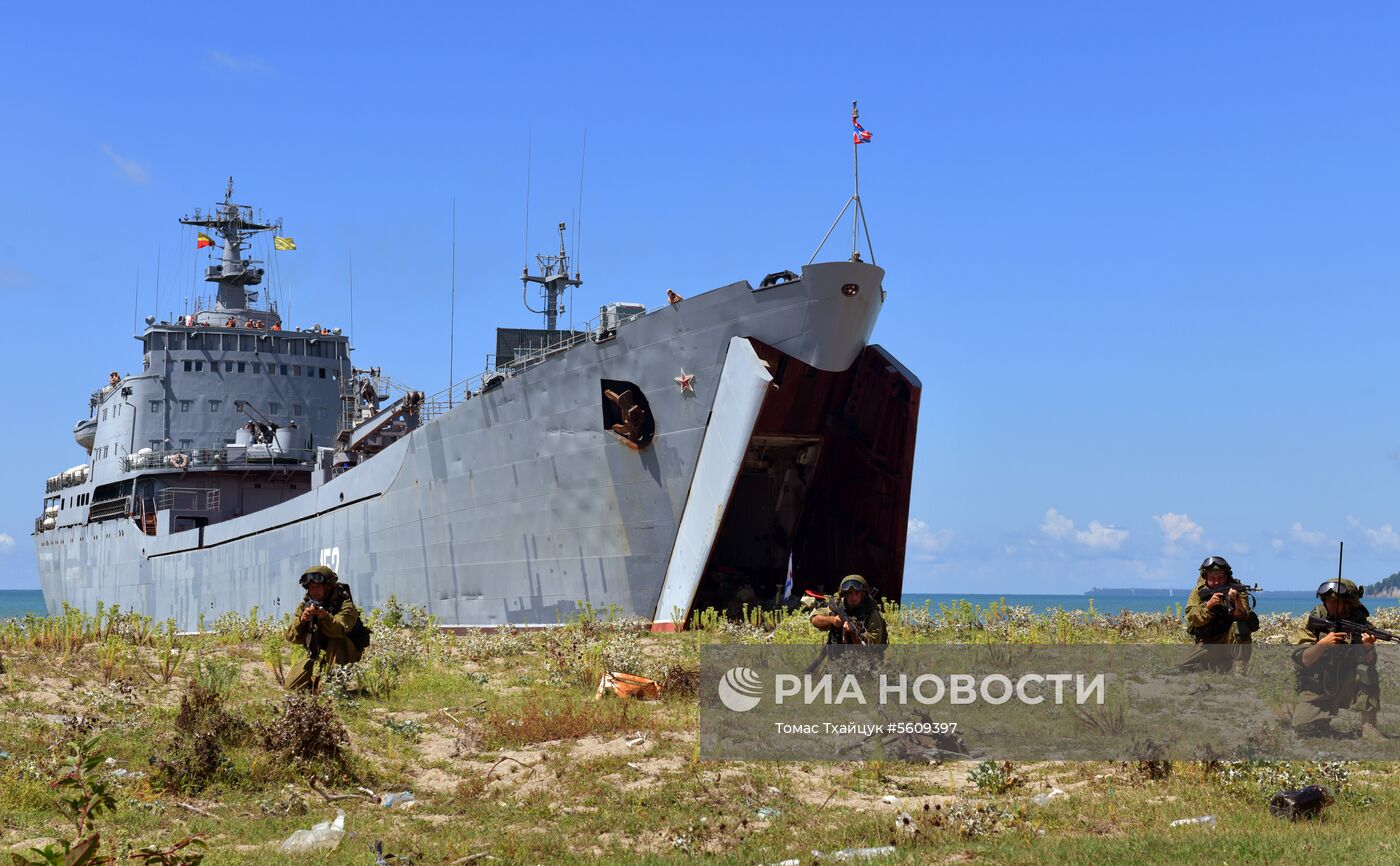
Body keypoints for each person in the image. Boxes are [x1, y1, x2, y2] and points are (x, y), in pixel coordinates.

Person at [1291, 578, 1384, 740]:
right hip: (1318, 687)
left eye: (1336, 602)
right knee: (1305, 729)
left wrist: (1368, 648)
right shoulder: (1315, 622)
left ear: (1349, 604)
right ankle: (1312, 718)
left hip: (1347, 684)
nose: (1330, 605)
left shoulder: (1359, 625)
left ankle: (1369, 727)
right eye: (1327, 601)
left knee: (1366, 671)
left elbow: (1369, 661)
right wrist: (1323, 644)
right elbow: (1304, 660)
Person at [285, 564, 364, 691]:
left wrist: (324, 616)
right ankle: (317, 684)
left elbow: (340, 630)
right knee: (291, 687)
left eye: (317, 587)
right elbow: (290, 637)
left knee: (337, 642)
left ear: (328, 587)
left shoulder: (345, 605)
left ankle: (335, 688)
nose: (313, 591)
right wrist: (302, 620)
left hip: (345, 652)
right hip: (317, 652)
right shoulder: (305, 606)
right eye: (310, 588)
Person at [1180, 555, 1259, 674]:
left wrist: (1235, 599)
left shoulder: (1237, 589)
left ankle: (1240, 671)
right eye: (1212, 578)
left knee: (1240, 626)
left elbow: (1243, 616)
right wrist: (1209, 605)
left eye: (1220, 577)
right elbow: (1191, 617)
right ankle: (1219, 666)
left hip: (1230, 641)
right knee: (1181, 666)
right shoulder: (1199, 591)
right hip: (1207, 643)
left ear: (1226, 576)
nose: (1217, 582)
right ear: (1205, 577)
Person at [809, 574, 887, 644]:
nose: (853, 597)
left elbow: (873, 644)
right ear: (844, 594)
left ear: (863, 593)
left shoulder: (871, 611)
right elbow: (814, 619)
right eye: (850, 593)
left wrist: (852, 632)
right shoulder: (838, 605)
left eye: (857, 592)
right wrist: (833, 620)